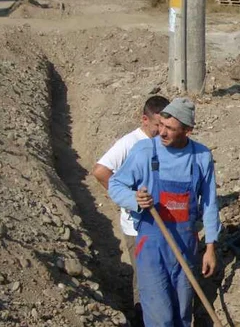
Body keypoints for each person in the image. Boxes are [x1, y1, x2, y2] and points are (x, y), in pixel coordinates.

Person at [108, 97, 221, 326]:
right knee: (160, 317)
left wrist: (210, 247)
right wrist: (134, 199)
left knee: (181, 315)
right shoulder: (144, 152)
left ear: (187, 130)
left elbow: (209, 203)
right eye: (161, 125)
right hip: (151, 246)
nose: (163, 132)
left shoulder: (201, 157)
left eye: (170, 128)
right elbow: (115, 185)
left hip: (185, 246)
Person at [92, 95, 170, 320]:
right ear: (145, 119)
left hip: (162, 225)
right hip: (136, 228)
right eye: (157, 125)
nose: (161, 130)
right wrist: (127, 198)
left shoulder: (163, 143)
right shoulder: (129, 143)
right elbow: (100, 171)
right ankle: (141, 318)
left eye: (165, 125)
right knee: (144, 279)